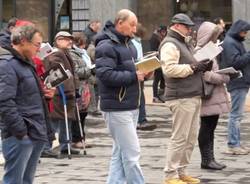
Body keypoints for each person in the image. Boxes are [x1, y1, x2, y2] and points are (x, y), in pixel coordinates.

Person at [159, 13, 212, 184]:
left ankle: (182, 171)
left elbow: (190, 64)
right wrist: (194, 67)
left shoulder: (183, 42)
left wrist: (202, 65)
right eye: (187, 26)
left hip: (192, 94)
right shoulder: (170, 43)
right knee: (180, 137)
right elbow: (169, 69)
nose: (190, 29)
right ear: (176, 25)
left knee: (190, 137)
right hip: (181, 96)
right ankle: (170, 175)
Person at [95, 9, 146, 184]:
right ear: (119, 23)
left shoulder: (129, 44)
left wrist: (144, 72)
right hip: (117, 107)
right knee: (132, 154)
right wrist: (134, 76)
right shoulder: (106, 46)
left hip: (130, 104)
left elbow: (130, 71)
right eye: (131, 25)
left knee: (120, 153)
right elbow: (104, 75)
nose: (134, 29)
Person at [0, 25, 50, 184]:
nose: (39, 49)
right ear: (22, 41)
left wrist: (46, 95)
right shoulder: (7, 64)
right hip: (21, 134)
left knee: (26, 180)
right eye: (37, 44)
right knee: (14, 180)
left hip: (34, 130)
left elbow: (26, 96)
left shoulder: (25, 63)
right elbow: (5, 102)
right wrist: (21, 132)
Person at [195, 21, 230, 170]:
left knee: (211, 127)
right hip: (207, 95)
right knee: (207, 127)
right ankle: (206, 160)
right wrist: (222, 77)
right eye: (212, 35)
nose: (215, 38)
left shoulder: (210, 49)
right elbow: (203, 74)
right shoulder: (200, 51)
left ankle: (210, 158)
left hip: (213, 94)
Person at [43, 31, 80, 155]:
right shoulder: (56, 54)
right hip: (59, 92)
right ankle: (46, 147)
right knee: (54, 120)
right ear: (58, 40)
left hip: (67, 91)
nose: (70, 41)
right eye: (66, 39)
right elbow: (56, 71)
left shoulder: (65, 53)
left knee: (67, 119)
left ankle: (65, 145)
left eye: (71, 39)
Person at [220, 20, 250, 155]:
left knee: (238, 115)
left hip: (241, 81)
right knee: (236, 115)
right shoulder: (230, 42)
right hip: (237, 82)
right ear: (238, 30)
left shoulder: (235, 41)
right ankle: (233, 144)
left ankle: (236, 143)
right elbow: (235, 63)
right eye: (244, 32)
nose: (245, 35)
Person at [132, 23, 157, 131]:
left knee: (140, 97)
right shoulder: (134, 42)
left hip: (140, 71)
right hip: (137, 72)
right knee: (139, 97)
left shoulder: (137, 42)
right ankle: (141, 120)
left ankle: (141, 119)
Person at [69, 32, 92, 149]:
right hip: (79, 86)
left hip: (85, 86)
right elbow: (76, 71)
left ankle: (81, 138)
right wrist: (89, 70)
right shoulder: (73, 54)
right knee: (78, 114)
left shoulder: (81, 53)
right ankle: (77, 138)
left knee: (83, 114)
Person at [150, 25, 167, 103]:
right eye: (163, 32)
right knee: (157, 79)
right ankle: (155, 96)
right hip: (157, 61)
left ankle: (161, 95)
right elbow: (153, 50)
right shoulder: (155, 38)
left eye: (165, 32)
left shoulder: (161, 38)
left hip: (162, 60)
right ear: (160, 31)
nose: (164, 33)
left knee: (163, 79)